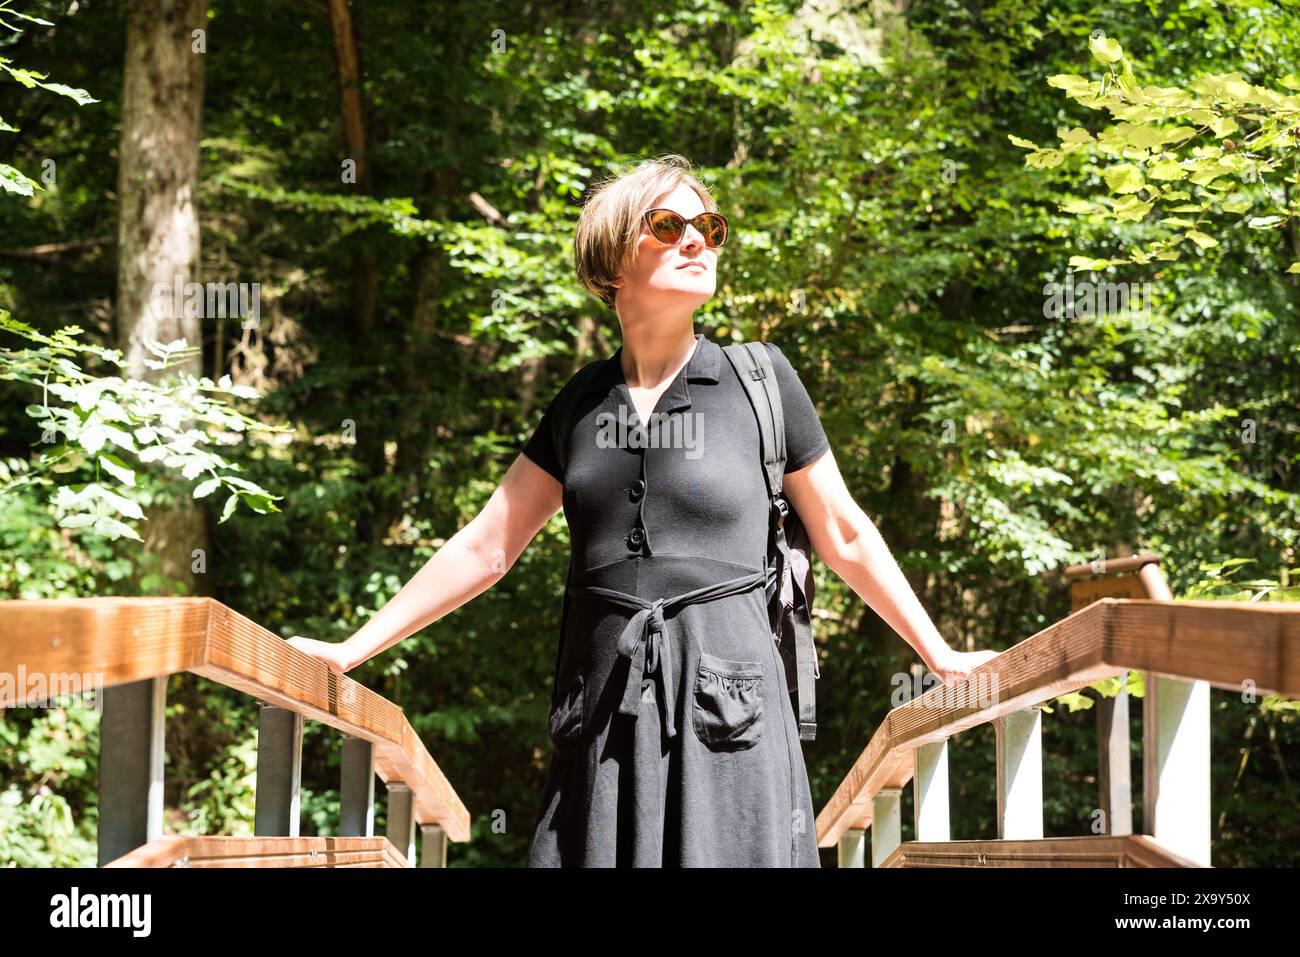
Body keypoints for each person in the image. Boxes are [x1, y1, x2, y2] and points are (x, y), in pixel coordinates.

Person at [287, 153, 999, 867]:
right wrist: (354, 647)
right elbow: (488, 546)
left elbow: (842, 531)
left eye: (709, 227)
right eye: (670, 224)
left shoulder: (760, 379)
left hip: (734, 720)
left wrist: (936, 652)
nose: (699, 240)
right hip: (600, 720)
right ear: (612, 262)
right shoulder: (579, 403)